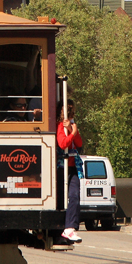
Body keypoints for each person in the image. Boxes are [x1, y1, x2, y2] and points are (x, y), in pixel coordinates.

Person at [57, 100, 83, 243]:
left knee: (74, 196)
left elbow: (79, 143)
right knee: (60, 198)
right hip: (62, 166)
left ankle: (70, 228)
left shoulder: (72, 126)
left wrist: (74, 131)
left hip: (73, 167)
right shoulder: (60, 126)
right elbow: (62, 143)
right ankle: (60, 228)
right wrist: (72, 133)